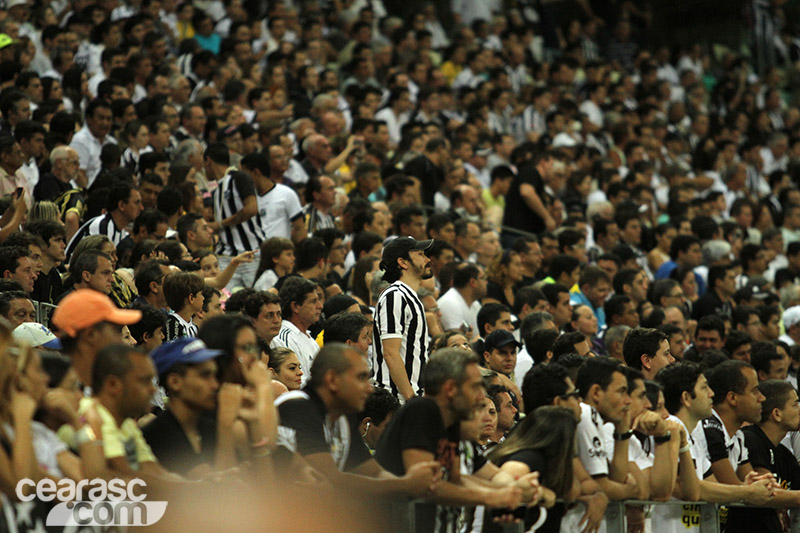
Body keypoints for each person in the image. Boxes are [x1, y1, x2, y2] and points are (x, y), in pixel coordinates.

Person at [375, 348, 528, 532]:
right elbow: (425, 487)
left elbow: (455, 480)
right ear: (450, 388)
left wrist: (508, 492)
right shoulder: (422, 411)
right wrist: (491, 497)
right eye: (475, 386)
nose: (482, 395)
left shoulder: (451, 422)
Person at [275, 343, 440, 496]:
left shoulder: (341, 418)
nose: (369, 389)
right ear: (332, 380)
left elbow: (374, 472)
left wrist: (410, 482)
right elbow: (333, 479)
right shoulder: (297, 407)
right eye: (361, 378)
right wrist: (405, 484)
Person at [372, 236, 433, 400]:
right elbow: (390, 353)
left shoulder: (408, 297)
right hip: (395, 398)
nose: (427, 259)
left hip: (409, 396)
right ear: (403, 262)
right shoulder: (395, 296)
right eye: (420, 254)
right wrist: (410, 398)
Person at [51, 289, 141, 387]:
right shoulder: (62, 395)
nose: (120, 340)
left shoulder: (93, 387)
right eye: (117, 331)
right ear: (90, 334)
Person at [271, 277, 322, 386]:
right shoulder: (284, 337)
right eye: (313, 301)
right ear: (295, 307)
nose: (320, 306)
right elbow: (296, 383)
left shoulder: (310, 338)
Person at [163, 271, 206, 340]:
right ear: (191, 298)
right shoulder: (173, 325)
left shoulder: (194, 327)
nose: (203, 298)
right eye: (201, 294)